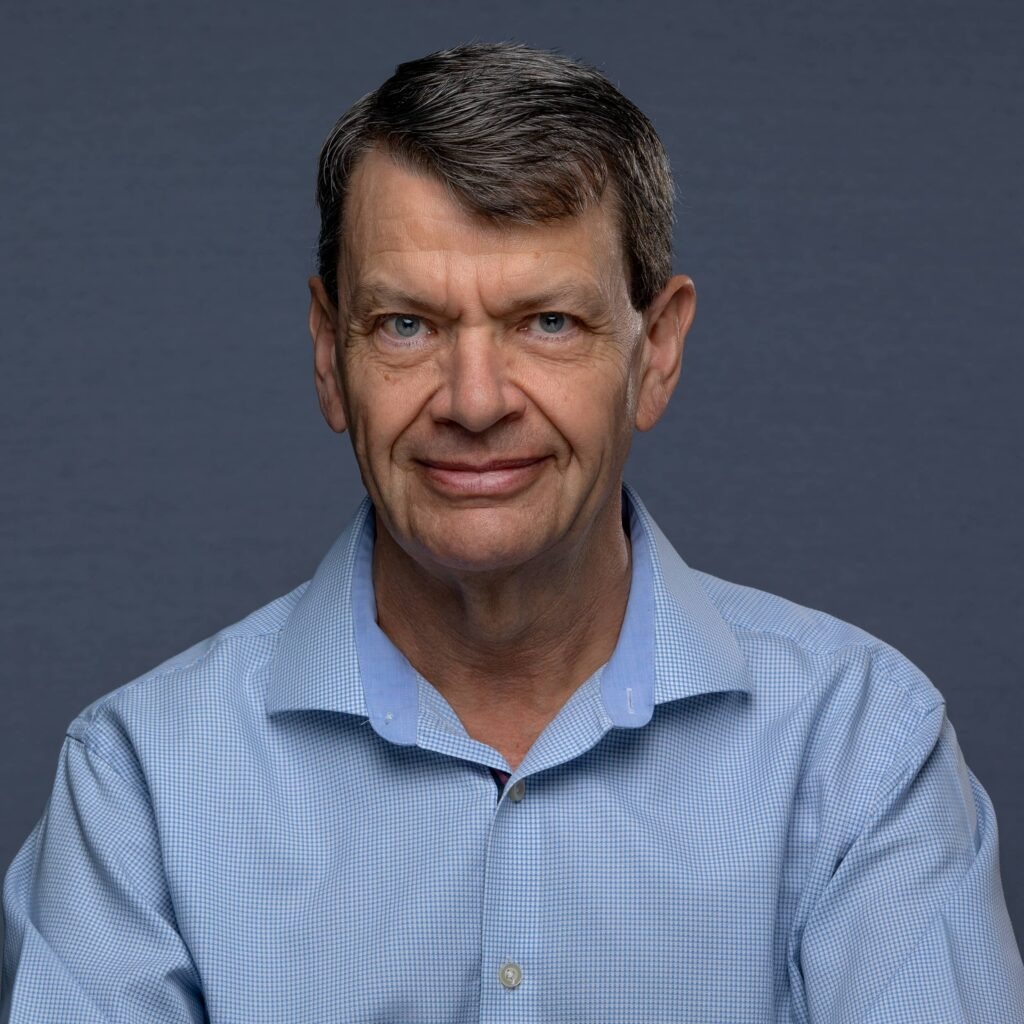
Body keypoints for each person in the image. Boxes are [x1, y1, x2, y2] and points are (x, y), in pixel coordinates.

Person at [2, 41, 1022, 1024]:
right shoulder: (142, 784)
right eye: (407, 324)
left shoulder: (858, 749)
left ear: (655, 351)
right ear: (328, 353)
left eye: (547, 322)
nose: (475, 400)